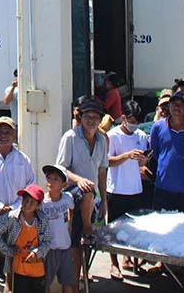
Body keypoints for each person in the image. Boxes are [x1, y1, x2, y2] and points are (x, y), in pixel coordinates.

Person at [55, 99, 108, 285]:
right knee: (74, 241)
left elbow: (102, 171)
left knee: (86, 244)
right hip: (72, 193)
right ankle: (74, 281)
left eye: (95, 117)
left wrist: (105, 200)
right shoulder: (70, 137)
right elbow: (61, 168)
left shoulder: (102, 140)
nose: (91, 121)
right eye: (87, 117)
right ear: (81, 117)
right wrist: (79, 180)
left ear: (100, 120)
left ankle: (82, 275)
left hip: (93, 198)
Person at [0, 117, 35, 287]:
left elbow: (30, 186)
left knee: (11, 255)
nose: (3, 135)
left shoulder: (23, 159)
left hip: (15, 216)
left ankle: (7, 283)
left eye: (7, 132)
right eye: (0, 131)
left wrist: (14, 207)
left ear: (14, 135)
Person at [106, 100, 148, 279]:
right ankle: (114, 263)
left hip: (135, 189)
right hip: (116, 189)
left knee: (135, 229)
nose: (134, 125)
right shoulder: (112, 136)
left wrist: (143, 162)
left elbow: (145, 159)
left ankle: (132, 260)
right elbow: (107, 161)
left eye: (137, 122)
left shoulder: (141, 135)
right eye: (131, 121)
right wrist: (126, 155)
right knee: (114, 229)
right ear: (123, 118)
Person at [0, 185, 50, 293]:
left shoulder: (42, 219)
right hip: (18, 269)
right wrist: (8, 250)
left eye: (32, 202)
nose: (27, 204)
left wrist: (37, 253)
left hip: (38, 269)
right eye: (25, 200)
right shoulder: (12, 217)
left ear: (38, 205)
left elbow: (47, 241)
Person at [149, 91, 184, 212]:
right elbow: (156, 152)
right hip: (163, 189)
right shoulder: (157, 127)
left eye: (181, 104)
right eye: (174, 103)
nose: (177, 107)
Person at [40, 165, 75, 293]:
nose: (51, 182)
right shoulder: (42, 202)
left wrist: (69, 226)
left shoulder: (67, 198)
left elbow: (71, 209)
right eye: (49, 178)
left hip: (65, 247)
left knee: (68, 281)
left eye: (56, 179)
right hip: (49, 249)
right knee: (45, 283)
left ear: (63, 184)